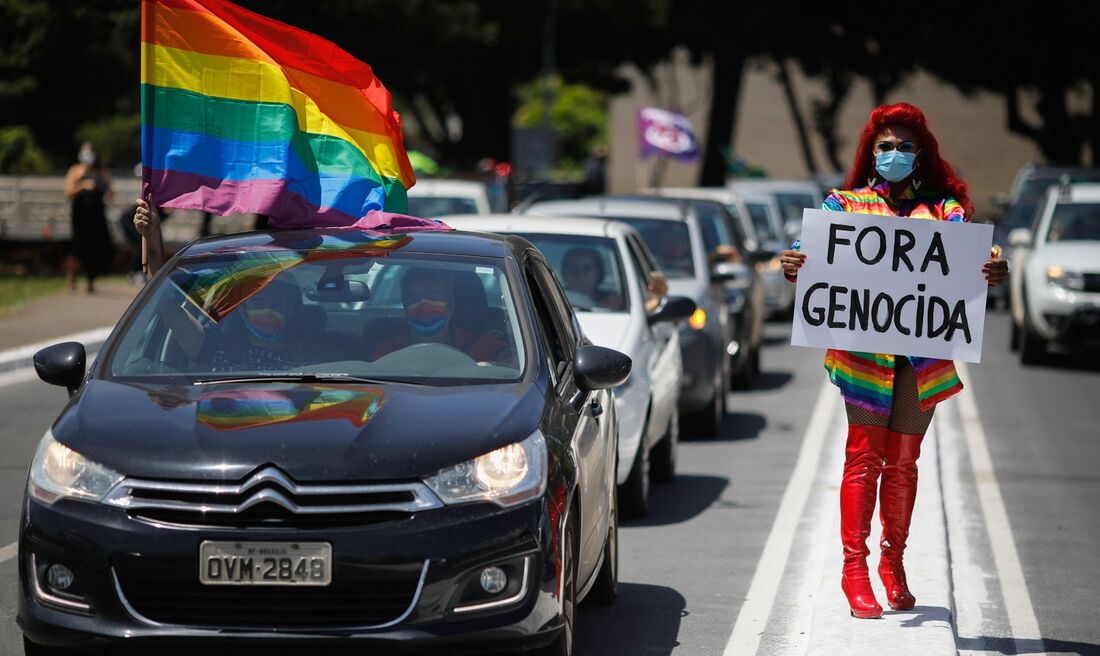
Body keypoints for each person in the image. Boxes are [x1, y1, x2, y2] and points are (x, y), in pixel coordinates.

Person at [779, 103, 1008, 619]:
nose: (895, 154)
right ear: (870, 152)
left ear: (922, 155)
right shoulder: (845, 204)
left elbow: (973, 253)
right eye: (886, 146)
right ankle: (853, 570)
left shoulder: (943, 211)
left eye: (906, 146)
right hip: (863, 359)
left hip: (921, 359)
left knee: (904, 463)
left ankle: (893, 565)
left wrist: (991, 266)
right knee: (863, 458)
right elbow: (805, 250)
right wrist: (793, 261)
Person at [366, 268, 511, 364]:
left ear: (451, 305)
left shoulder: (483, 345)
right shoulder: (388, 350)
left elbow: (514, 366)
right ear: (405, 306)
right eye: (414, 299)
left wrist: (492, 367)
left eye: (432, 297)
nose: (423, 304)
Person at [64, 142, 114, 293]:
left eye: (90, 152)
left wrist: (108, 185)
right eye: (84, 152)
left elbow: (111, 193)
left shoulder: (101, 171)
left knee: (95, 248)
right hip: (80, 215)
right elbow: (68, 192)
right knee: (78, 247)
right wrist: (83, 184)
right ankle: (71, 279)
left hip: (97, 215)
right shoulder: (75, 170)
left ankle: (91, 281)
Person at [560, 247, 624, 310]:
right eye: (573, 268)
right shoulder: (555, 298)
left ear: (598, 273)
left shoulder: (614, 303)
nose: (580, 274)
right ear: (564, 272)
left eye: (587, 269)